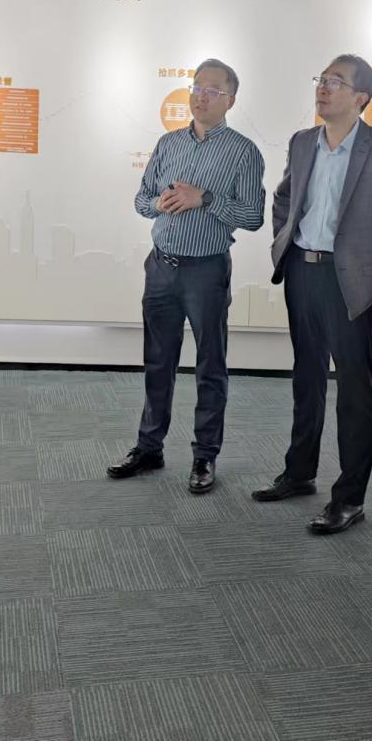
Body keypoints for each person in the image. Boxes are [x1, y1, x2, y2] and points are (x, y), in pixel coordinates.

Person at [252, 54, 372, 533]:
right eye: (322, 79)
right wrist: (284, 242)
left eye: (336, 82)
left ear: (361, 98)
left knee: (354, 391)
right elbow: (285, 197)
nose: (323, 88)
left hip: (349, 283)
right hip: (302, 271)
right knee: (306, 378)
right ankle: (299, 473)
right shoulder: (302, 143)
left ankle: (350, 499)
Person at [107, 58, 266, 494]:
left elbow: (253, 217)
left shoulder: (243, 152)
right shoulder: (168, 143)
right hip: (161, 267)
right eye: (197, 87)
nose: (201, 96)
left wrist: (205, 199)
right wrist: (157, 205)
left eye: (213, 90)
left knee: (210, 366)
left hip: (206, 271)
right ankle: (149, 447)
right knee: (158, 363)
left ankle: (204, 456)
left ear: (231, 100)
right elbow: (141, 200)